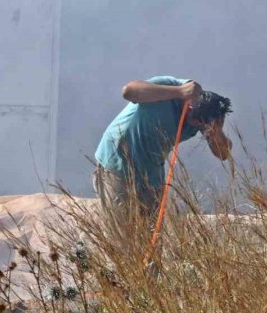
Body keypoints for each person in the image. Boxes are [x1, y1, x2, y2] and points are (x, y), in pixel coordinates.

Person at [94, 76, 232, 220]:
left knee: (151, 231)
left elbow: (223, 154)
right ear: (189, 105)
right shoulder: (170, 86)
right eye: (196, 121)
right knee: (121, 229)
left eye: (202, 125)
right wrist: (179, 91)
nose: (197, 125)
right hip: (118, 161)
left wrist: (216, 133)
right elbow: (129, 91)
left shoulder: (204, 118)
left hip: (151, 173)